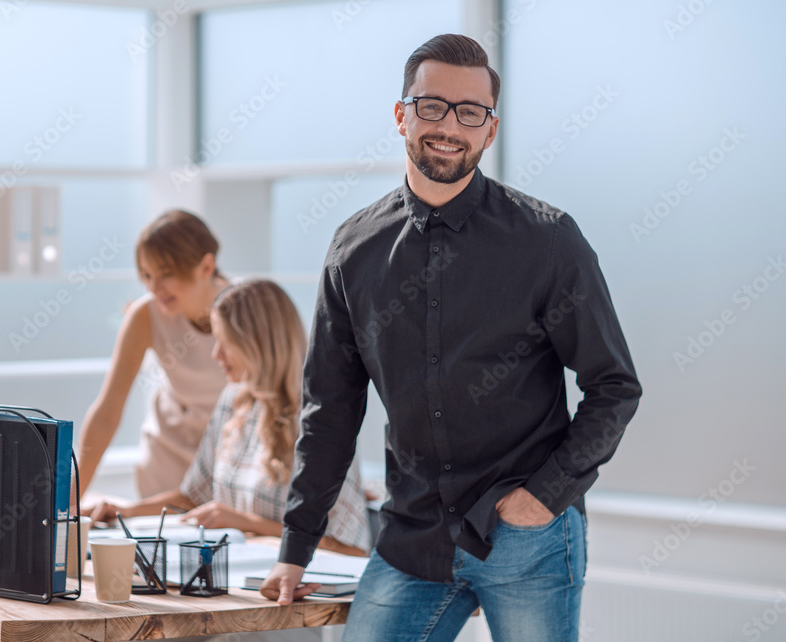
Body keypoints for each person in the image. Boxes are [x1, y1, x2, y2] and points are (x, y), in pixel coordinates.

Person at [261, 34, 642, 641]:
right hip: (412, 540)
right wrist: (295, 546)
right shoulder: (352, 252)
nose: (449, 126)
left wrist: (544, 497)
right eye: (432, 106)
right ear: (401, 115)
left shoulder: (547, 242)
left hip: (527, 539)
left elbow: (614, 387)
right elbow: (329, 410)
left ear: (489, 131)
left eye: (471, 112)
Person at [90, 279, 371, 558]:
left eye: (225, 343)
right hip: (234, 578)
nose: (216, 355)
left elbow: (349, 550)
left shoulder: (319, 419)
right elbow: (193, 498)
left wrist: (247, 524)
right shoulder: (233, 401)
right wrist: (126, 510)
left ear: (258, 344)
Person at [77, 210, 229, 500]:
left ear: (206, 266)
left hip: (231, 464)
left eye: (166, 274)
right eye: (146, 275)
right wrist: (71, 500)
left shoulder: (247, 307)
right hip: (167, 465)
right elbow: (108, 411)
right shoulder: (145, 315)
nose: (154, 288)